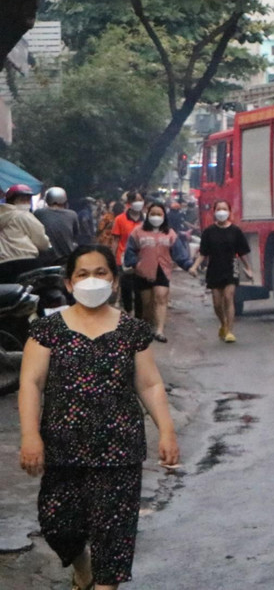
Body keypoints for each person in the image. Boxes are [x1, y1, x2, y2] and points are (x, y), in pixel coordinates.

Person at [17, 244, 179, 590]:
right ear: (69, 284)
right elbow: (30, 384)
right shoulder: (48, 331)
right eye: (83, 274)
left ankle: (104, 581)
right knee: (58, 524)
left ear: (115, 281)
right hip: (62, 449)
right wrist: (30, 435)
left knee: (113, 536)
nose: (93, 281)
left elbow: (150, 385)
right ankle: (82, 569)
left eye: (101, 273)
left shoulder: (132, 331)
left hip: (120, 450)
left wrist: (166, 430)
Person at [121, 202, 192, 343]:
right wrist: (135, 264)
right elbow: (130, 250)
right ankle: (146, 327)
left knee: (161, 298)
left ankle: (159, 330)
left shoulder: (169, 233)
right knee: (147, 304)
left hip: (163, 271)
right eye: (153, 214)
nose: (156, 217)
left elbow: (179, 253)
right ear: (148, 215)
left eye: (159, 214)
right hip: (143, 272)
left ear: (164, 216)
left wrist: (189, 266)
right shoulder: (137, 232)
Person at [191, 200, 251, 343]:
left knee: (228, 297)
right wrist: (194, 266)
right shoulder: (208, 232)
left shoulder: (235, 231)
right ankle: (223, 323)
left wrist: (248, 268)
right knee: (217, 303)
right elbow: (203, 253)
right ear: (214, 212)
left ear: (229, 212)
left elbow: (242, 252)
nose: (221, 212)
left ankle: (230, 331)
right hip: (214, 268)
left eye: (224, 209)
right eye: (219, 209)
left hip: (231, 266)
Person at [0, 184, 52, 285]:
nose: (26, 202)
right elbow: (42, 242)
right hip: (27, 263)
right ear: (13, 200)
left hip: (2, 265)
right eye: (23, 199)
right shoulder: (24, 216)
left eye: (28, 199)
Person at [36, 187, 80, 259]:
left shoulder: (39, 213)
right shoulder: (72, 214)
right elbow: (76, 235)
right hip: (67, 256)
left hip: (46, 257)